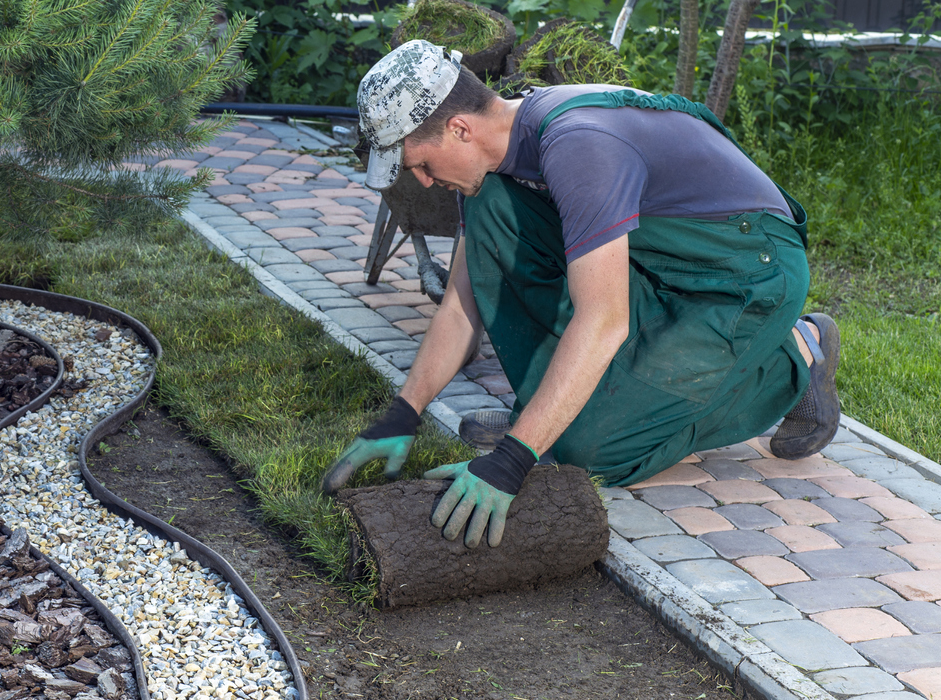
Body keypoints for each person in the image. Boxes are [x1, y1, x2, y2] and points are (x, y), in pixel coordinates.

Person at [322, 39, 841, 551]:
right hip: (660, 263)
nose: (424, 181)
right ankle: (560, 406)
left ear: (459, 128)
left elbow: (604, 320)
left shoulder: (578, 145)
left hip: (743, 277)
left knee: (587, 452)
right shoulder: (500, 158)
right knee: (492, 210)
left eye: (420, 162)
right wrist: (404, 410)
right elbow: (463, 303)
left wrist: (513, 459)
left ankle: (793, 356)